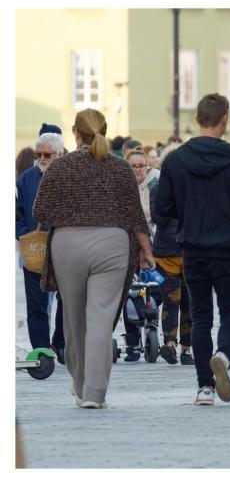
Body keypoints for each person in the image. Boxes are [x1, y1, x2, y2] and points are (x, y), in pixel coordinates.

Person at [33, 108, 154, 408]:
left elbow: (40, 211)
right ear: (105, 130)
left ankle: (79, 384)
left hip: (68, 246)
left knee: (74, 322)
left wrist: (71, 214)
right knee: (100, 320)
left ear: (75, 132)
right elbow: (134, 215)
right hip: (112, 245)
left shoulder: (60, 168)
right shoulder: (120, 168)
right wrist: (147, 251)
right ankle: (95, 394)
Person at [155, 93, 230, 406]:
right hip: (228, 248)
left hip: (193, 249)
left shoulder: (175, 160)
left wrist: (189, 213)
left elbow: (163, 210)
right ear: (225, 120)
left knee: (200, 318)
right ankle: (223, 355)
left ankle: (205, 388)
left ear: (197, 119)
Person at [16, 130, 66, 358]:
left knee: (67, 300)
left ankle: (61, 343)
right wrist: (24, 233)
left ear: (59, 154)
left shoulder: (69, 176)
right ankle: (41, 350)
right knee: (36, 304)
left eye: (47, 154)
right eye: (39, 154)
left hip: (65, 247)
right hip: (34, 248)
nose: (42, 159)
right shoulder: (26, 178)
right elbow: (15, 213)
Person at [151, 143, 194, 365]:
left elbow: (158, 218)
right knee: (190, 302)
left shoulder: (159, 187)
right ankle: (187, 349)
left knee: (170, 301)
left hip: (165, 252)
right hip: (189, 248)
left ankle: (169, 343)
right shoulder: (194, 186)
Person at [119, 150, 161, 362]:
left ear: (147, 167)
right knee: (130, 292)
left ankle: (152, 327)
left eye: (141, 166)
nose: (137, 170)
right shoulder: (121, 188)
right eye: (133, 166)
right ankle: (132, 342)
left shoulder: (155, 187)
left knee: (153, 288)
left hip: (152, 243)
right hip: (126, 247)